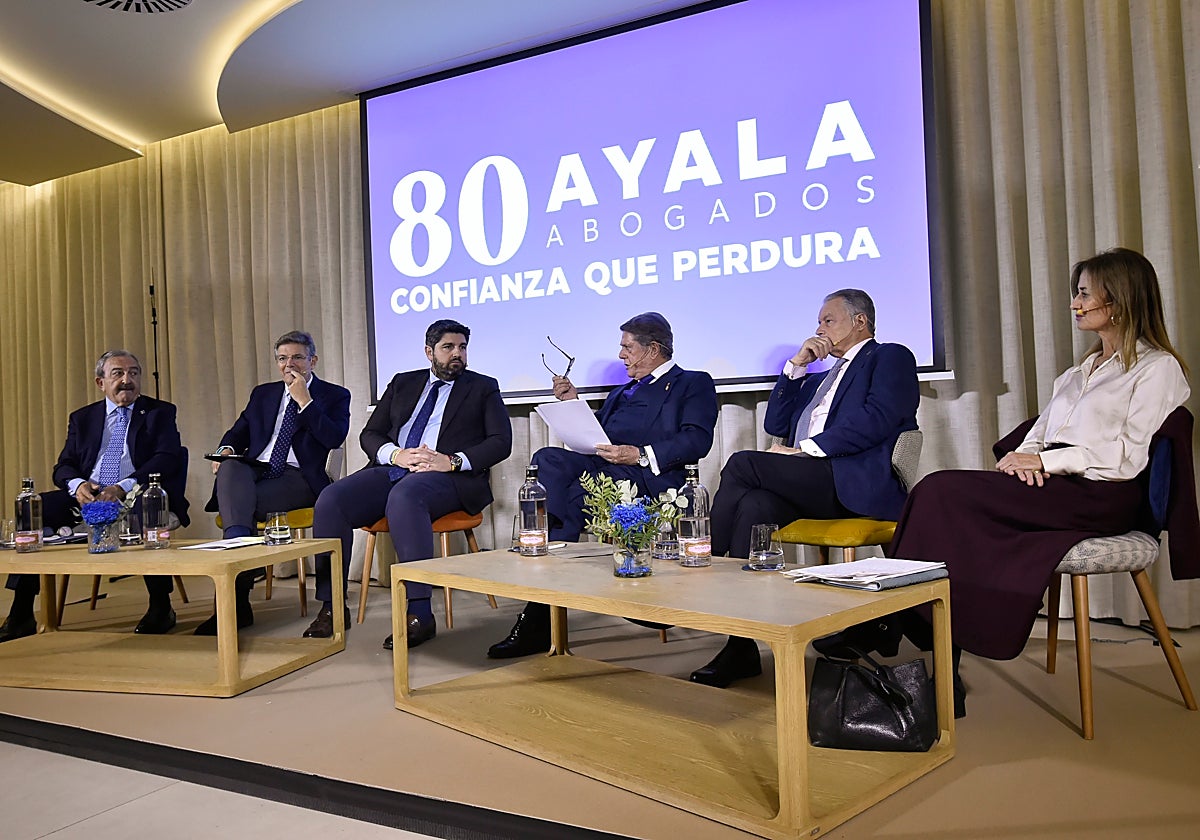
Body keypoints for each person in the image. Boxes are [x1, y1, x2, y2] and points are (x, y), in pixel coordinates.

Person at [692, 289, 919, 688]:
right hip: (812, 479)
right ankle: (741, 645)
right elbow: (774, 422)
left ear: (860, 322)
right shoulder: (822, 377)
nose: (819, 329)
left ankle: (706, 563)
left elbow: (881, 416)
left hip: (846, 480)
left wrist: (808, 451)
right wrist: (796, 366)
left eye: (828, 320)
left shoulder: (889, 356)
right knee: (755, 506)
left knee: (743, 463)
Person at [486, 312, 718, 659]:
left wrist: (639, 454)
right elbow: (601, 438)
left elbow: (697, 440)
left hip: (646, 478)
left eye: (627, 347)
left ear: (653, 349)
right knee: (548, 458)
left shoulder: (692, 383)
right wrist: (572, 405)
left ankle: (542, 596)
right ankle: (556, 546)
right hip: (605, 471)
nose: (621, 355)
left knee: (574, 495)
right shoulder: (622, 391)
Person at [302, 319, 512, 649]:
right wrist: (395, 454)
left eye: (462, 347)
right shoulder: (403, 383)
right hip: (396, 468)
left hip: (448, 478)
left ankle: (419, 613)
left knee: (405, 495)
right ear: (430, 352)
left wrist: (451, 460)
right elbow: (370, 433)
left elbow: (501, 442)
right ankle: (331, 606)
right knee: (331, 499)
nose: (456, 354)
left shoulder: (483, 387)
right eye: (448, 348)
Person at [0, 350, 190, 642]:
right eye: (118, 374)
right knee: (36, 508)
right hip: (91, 494)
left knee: (146, 510)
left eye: (134, 373)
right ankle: (22, 612)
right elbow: (63, 465)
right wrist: (77, 485)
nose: (127, 380)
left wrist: (123, 485)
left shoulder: (159, 412)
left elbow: (167, 458)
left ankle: (161, 607)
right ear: (100, 382)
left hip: (135, 491)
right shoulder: (83, 418)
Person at [196, 330, 351, 635]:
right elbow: (238, 431)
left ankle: (232, 605)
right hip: (257, 472)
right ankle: (240, 575)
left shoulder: (335, 395)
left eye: (296, 357)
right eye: (282, 358)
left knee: (237, 511)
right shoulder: (263, 393)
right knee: (230, 468)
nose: (288, 364)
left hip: (300, 477)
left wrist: (305, 402)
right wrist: (226, 448)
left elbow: (334, 437)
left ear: (313, 361)